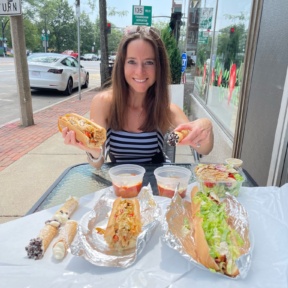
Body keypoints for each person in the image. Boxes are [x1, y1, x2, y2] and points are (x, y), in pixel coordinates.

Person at [62, 25, 213, 169]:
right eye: (132, 61)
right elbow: (98, 162)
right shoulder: (103, 103)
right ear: (122, 65)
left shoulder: (166, 109)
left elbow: (203, 148)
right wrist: (93, 151)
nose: (140, 71)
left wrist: (205, 128)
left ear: (158, 67)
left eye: (149, 62)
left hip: (157, 186)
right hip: (121, 185)